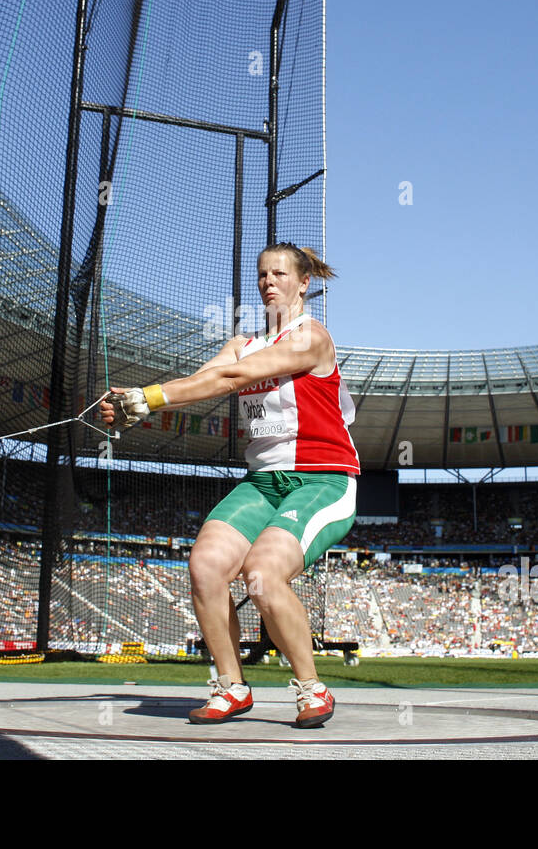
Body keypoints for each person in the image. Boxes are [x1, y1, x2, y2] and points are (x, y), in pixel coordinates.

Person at [101, 242, 359, 728]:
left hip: (323, 480)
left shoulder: (312, 338)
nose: (268, 282)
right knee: (206, 565)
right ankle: (232, 686)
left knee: (261, 570)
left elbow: (232, 379)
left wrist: (149, 397)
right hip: (263, 481)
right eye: (262, 274)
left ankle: (311, 687)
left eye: (280, 274)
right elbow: (207, 378)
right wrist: (135, 406)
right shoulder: (243, 342)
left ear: (304, 283)